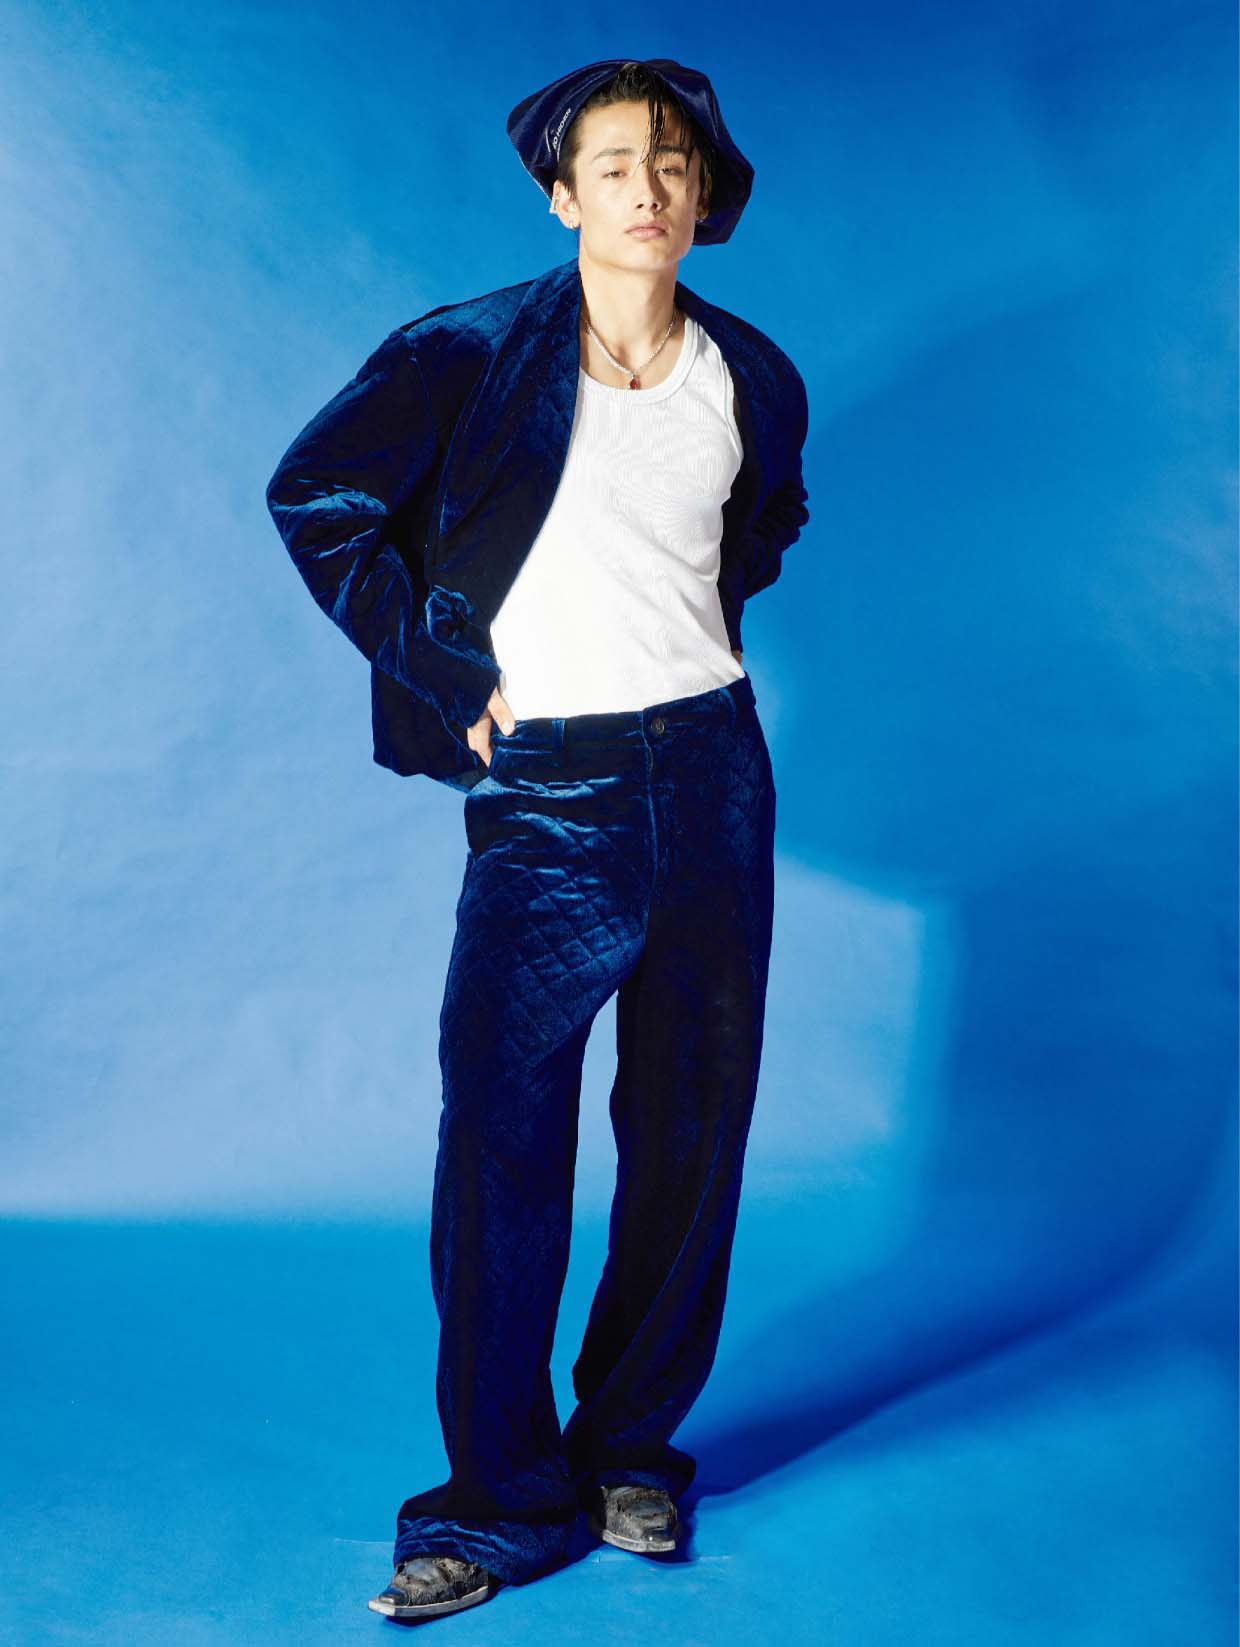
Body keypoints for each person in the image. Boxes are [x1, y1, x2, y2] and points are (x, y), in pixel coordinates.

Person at [264, 57, 810, 1623]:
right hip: (550, 795)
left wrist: (683, 647)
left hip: (714, 774)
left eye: (674, 162)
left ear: (705, 195)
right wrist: (442, 666)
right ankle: (498, 1502)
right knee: (503, 1142)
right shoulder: (469, 353)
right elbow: (319, 496)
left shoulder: (752, 374)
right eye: (615, 163)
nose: (648, 187)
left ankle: (630, 1445)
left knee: (693, 1134)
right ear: (563, 195)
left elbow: (762, 525)